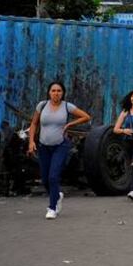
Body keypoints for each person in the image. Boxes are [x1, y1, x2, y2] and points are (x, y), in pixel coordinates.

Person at [27, 81, 91, 219]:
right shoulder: (42, 105)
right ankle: (57, 195)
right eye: (53, 90)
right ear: (49, 92)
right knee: (45, 179)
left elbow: (86, 116)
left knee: (53, 176)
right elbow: (33, 124)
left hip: (60, 146)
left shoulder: (67, 106)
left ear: (63, 93)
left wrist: (70, 124)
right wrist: (31, 142)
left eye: (59, 91)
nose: (56, 93)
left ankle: (52, 207)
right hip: (43, 146)